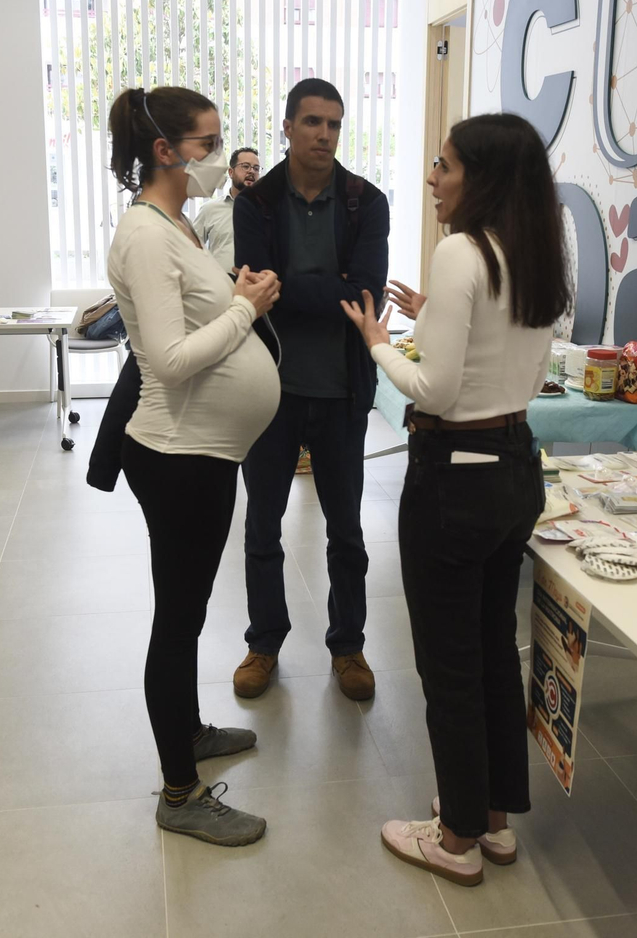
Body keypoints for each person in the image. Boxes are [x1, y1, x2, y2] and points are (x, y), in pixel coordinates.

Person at [343, 113, 571, 888]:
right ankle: (496, 818)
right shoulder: (534, 254)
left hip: (454, 478)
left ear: (481, 176)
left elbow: (436, 388)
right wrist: (433, 315)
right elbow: (501, 363)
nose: (433, 179)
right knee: (490, 652)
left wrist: (378, 340)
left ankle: (456, 837)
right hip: (514, 470)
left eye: (443, 166)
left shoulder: (459, 251)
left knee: (448, 665)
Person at [107, 85, 282, 847]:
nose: (217, 156)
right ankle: (179, 791)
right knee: (178, 622)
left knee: (189, 613)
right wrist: (249, 311)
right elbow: (172, 362)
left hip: (205, 454)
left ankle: (189, 731)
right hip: (177, 455)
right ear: (164, 151)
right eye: (206, 144)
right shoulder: (147, 234)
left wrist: (235, 298)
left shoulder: (175, 225)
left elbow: (194, 317)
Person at [231, 78, 389, 702]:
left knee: (346, 530)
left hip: (343, 391)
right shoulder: (258, 201)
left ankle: (347, 645)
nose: (325, 134)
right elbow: (254, 286)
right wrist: (332, 287)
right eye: (313, 122)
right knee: (263, 525)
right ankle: (263, 643)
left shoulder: (364, 202)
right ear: (289, 127)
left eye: (335, 124)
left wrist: (291, 286)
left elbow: (365, 292)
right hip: (268, 392)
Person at [192, 146, 260, 273]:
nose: (251, 171)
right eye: (245, 166)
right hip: (219, 286)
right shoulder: (210, 209)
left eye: (256, 168)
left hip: (257, 286)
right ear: (230, 172)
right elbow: (192, 250)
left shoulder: (267, 210)